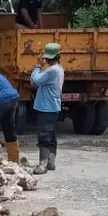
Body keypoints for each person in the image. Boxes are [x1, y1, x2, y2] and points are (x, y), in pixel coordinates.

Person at [31, 42, 65, 173]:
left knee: (44, 135)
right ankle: (51, 162)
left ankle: (42, 165)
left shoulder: (52, 70)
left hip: (46, 107)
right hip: (53, 106)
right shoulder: (58, 69)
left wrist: (38, 66)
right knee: (51, 135)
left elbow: (35, 80)